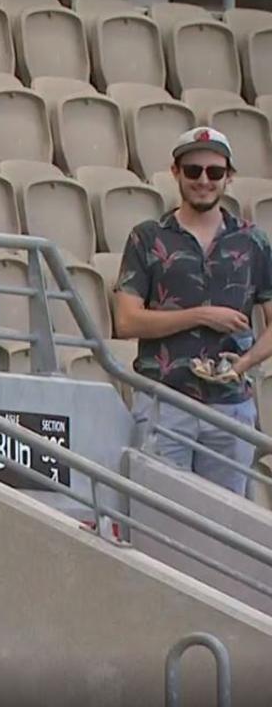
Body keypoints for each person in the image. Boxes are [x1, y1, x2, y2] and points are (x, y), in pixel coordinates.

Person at [114, 127, 272, 496]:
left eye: (215, 172)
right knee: (159, 520)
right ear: (175, 172)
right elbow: (125, 321)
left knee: (224, 526)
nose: (204, 180)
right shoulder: (147, 237)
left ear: (229, 177)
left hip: (231, 406)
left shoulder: (253, 241)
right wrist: (201, 316)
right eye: (193, 170)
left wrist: (244, 364)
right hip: (164, 400)